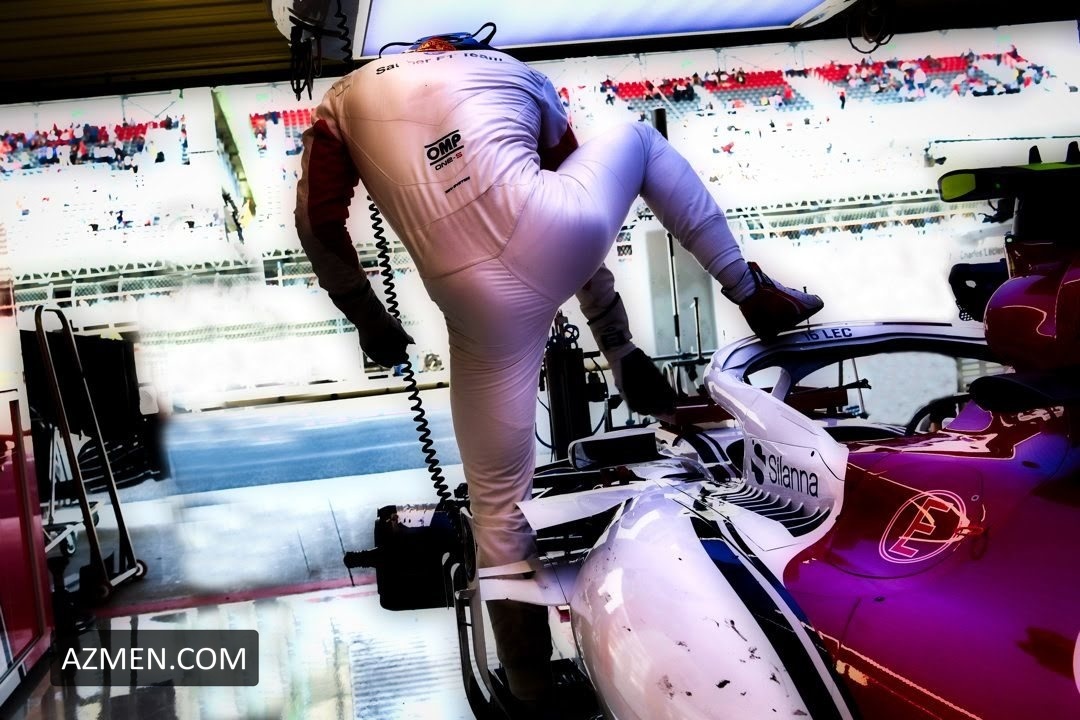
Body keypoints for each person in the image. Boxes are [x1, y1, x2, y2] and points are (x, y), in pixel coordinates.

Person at [294, 26, 823, 712]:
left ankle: (532, 691)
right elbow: (564, 211)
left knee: (496, 514)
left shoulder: (341, 98)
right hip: (555, 236)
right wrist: (619, 349)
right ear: (461, 47)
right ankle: (753, 292)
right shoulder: (513, 72)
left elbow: (318, 223)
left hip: (471, 299)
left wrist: (368, 317)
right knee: (638, 140)